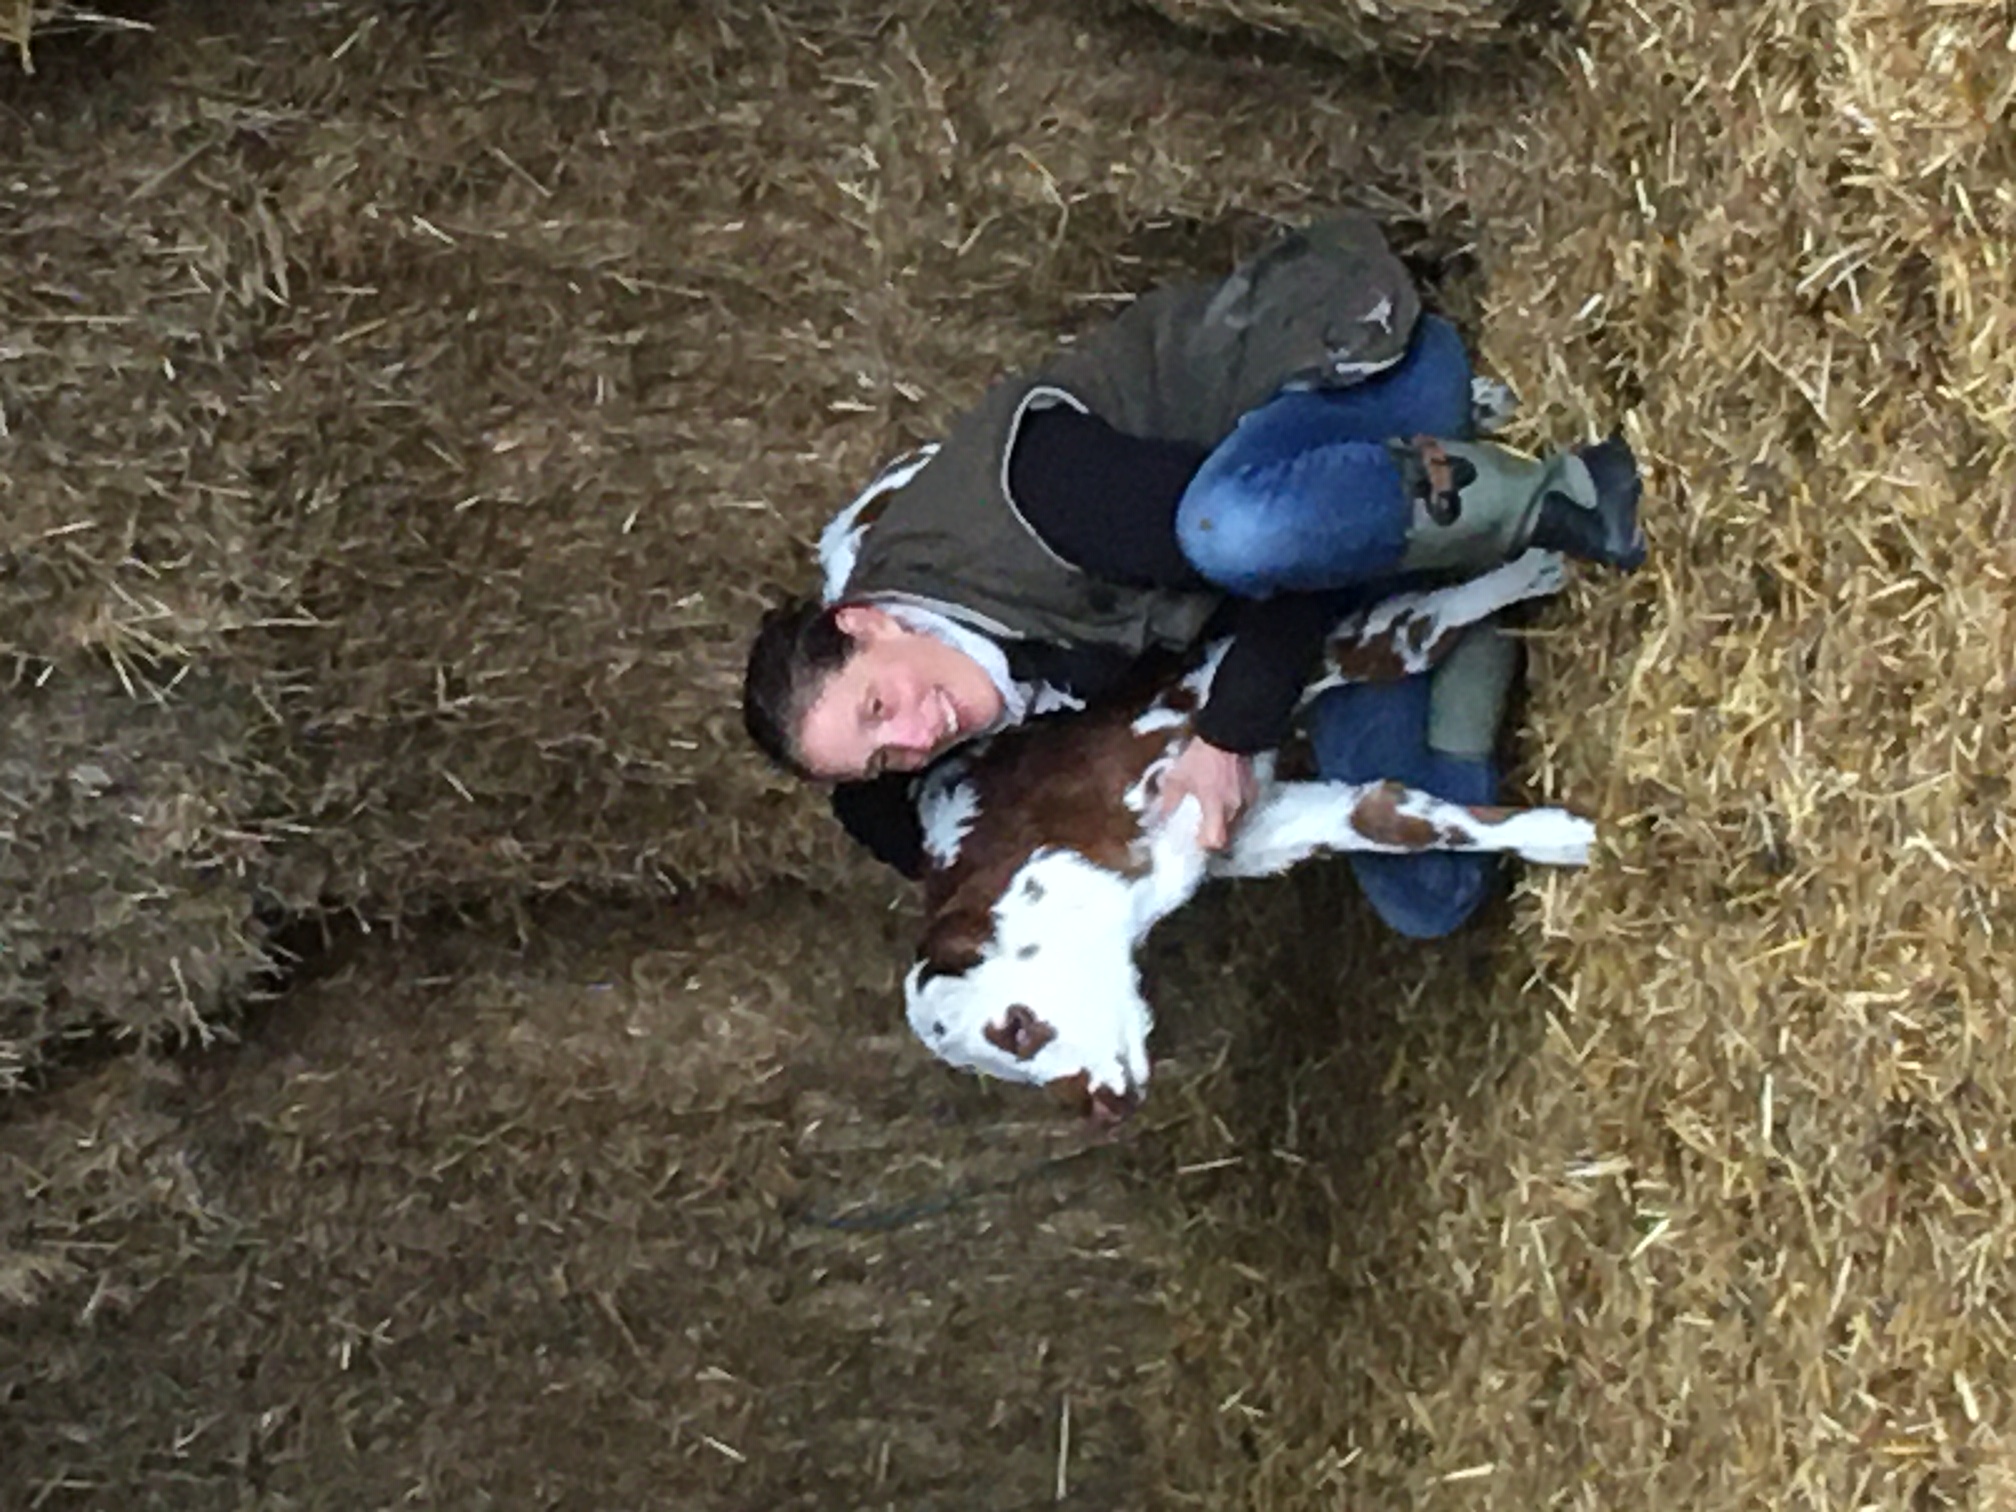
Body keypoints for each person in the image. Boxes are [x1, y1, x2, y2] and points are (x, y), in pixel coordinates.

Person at [743, 211, 1644, 938]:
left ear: (864, 620)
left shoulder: (1029, 505)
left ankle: (1558, 496)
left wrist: (1228, 738)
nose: (915, 734)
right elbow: (898, 829)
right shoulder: (929, 698)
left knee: (1235, 530)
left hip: (1347, 388)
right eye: (884, 756)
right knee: (1428, 895)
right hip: (1333, 574)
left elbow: (1282, 564)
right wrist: (898, 819)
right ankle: (1462, 622)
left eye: (878, 708)